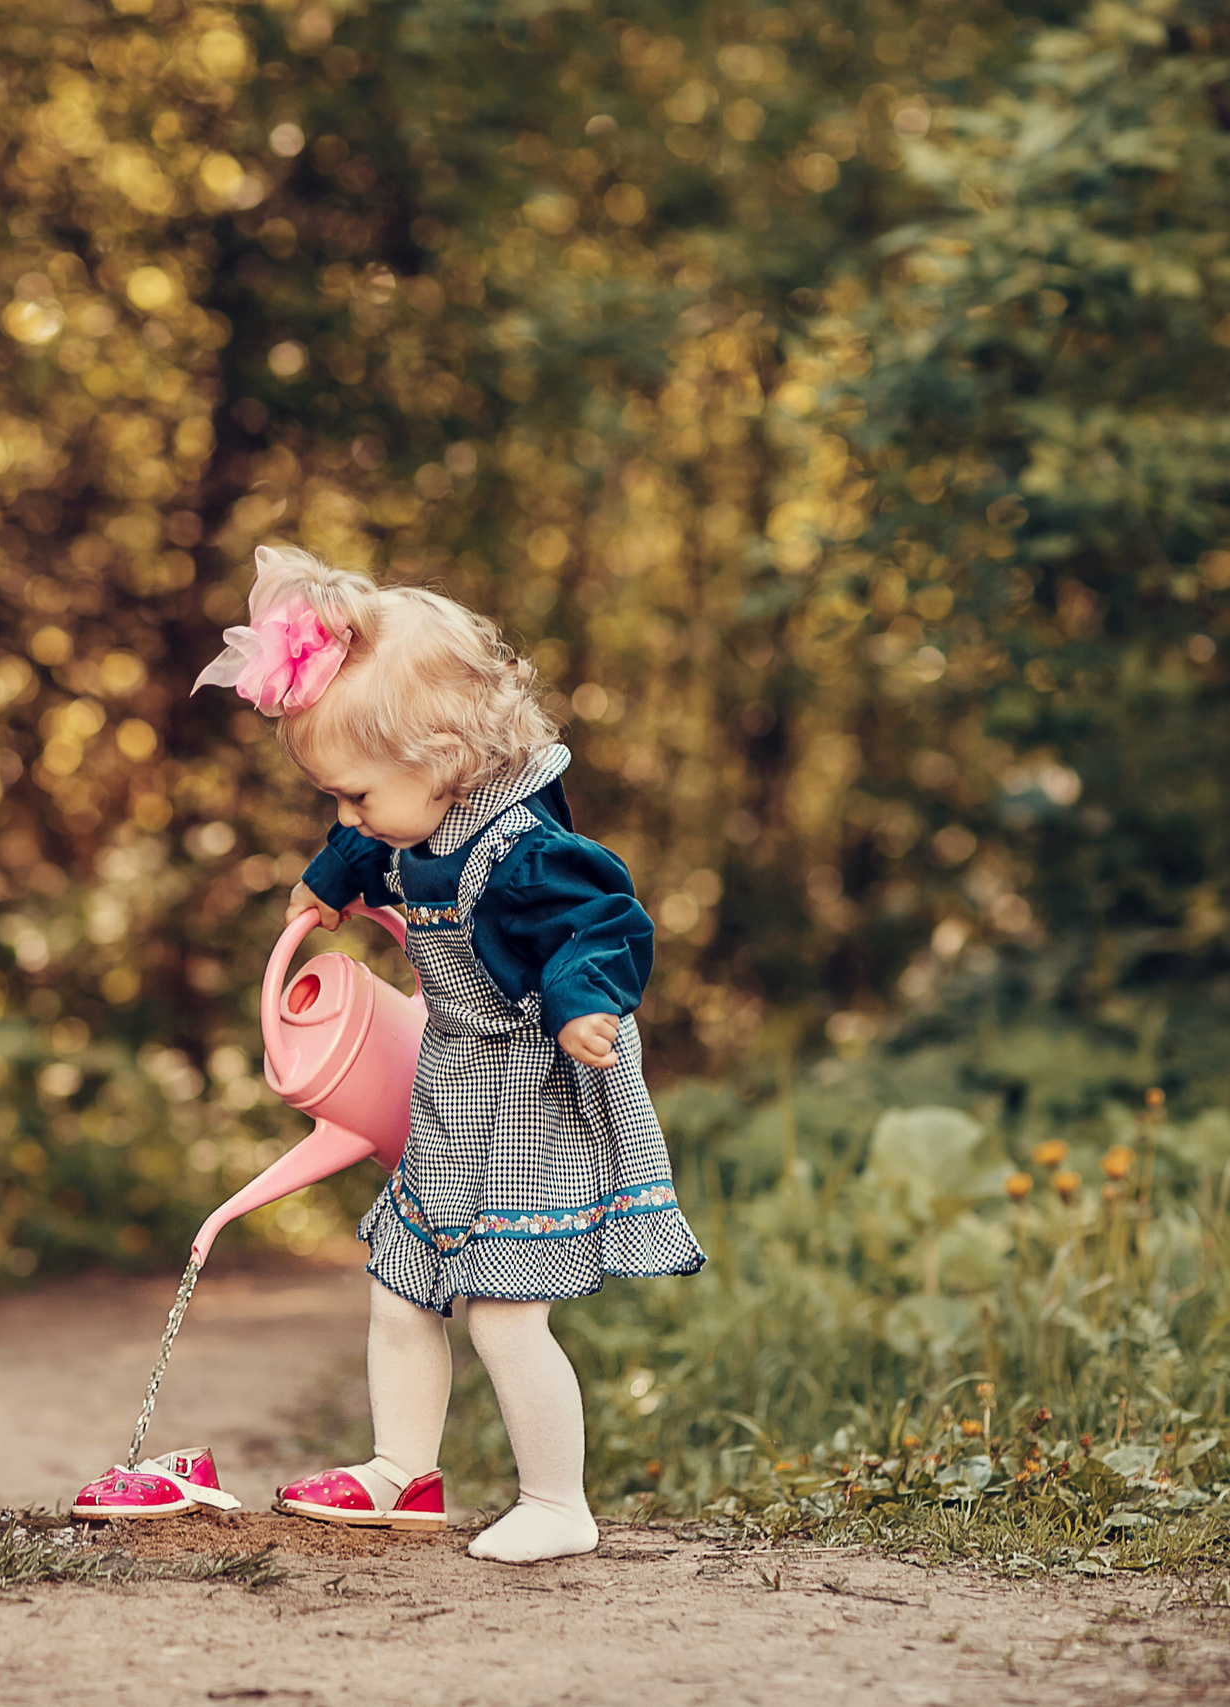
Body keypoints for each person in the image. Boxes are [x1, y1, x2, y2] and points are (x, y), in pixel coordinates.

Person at [198, 544, 706, 1564]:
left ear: (437, 763)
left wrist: (577, 1005)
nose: (346, 816)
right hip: (456, 1080)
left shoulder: (528, 851)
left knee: (503, 1312)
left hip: (529, 1080)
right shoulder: (417, 813)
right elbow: (381, 844)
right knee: (402, 1282)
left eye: (352, 797)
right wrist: (330, 874)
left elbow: (603, 923)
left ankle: (557, 1503)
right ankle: (403, 1468)